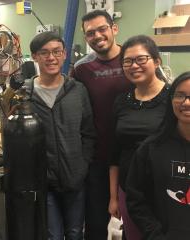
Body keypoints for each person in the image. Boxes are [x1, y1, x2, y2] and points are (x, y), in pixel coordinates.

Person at [27, 31, 96, 240]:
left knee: (75, 233)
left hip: (75, 178)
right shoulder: (25, 95)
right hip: (43, 181)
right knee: (52, 235)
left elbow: (88, 132)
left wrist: (82, 166)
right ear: (34, 57)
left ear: (65, 54)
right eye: (44, 53)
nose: (51, 58)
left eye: (57, 52)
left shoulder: (77, 90)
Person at [71, 10, 130, 240]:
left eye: (102, 29)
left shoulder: (134, 59)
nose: (97, 35)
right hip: (98, 161)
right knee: (96, 225)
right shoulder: (82, 70)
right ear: (86, 38)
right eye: (90, 33)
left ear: (114, 28)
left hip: (133, 158)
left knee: (135, 224)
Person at [109, 35, 170, 240]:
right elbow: (115, 154)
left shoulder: (173, 99)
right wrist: (114, 197)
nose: (134, 65)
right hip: (129, 192)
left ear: (157, 61)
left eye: (141, 59)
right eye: (127, 61)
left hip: (165, 192)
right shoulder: (121, 102)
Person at [126, 71, 190, 240]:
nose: (187, 102)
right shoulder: (151, 148)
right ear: (171, 101)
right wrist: (156, 235)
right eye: (180, 96)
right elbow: (136, 199)